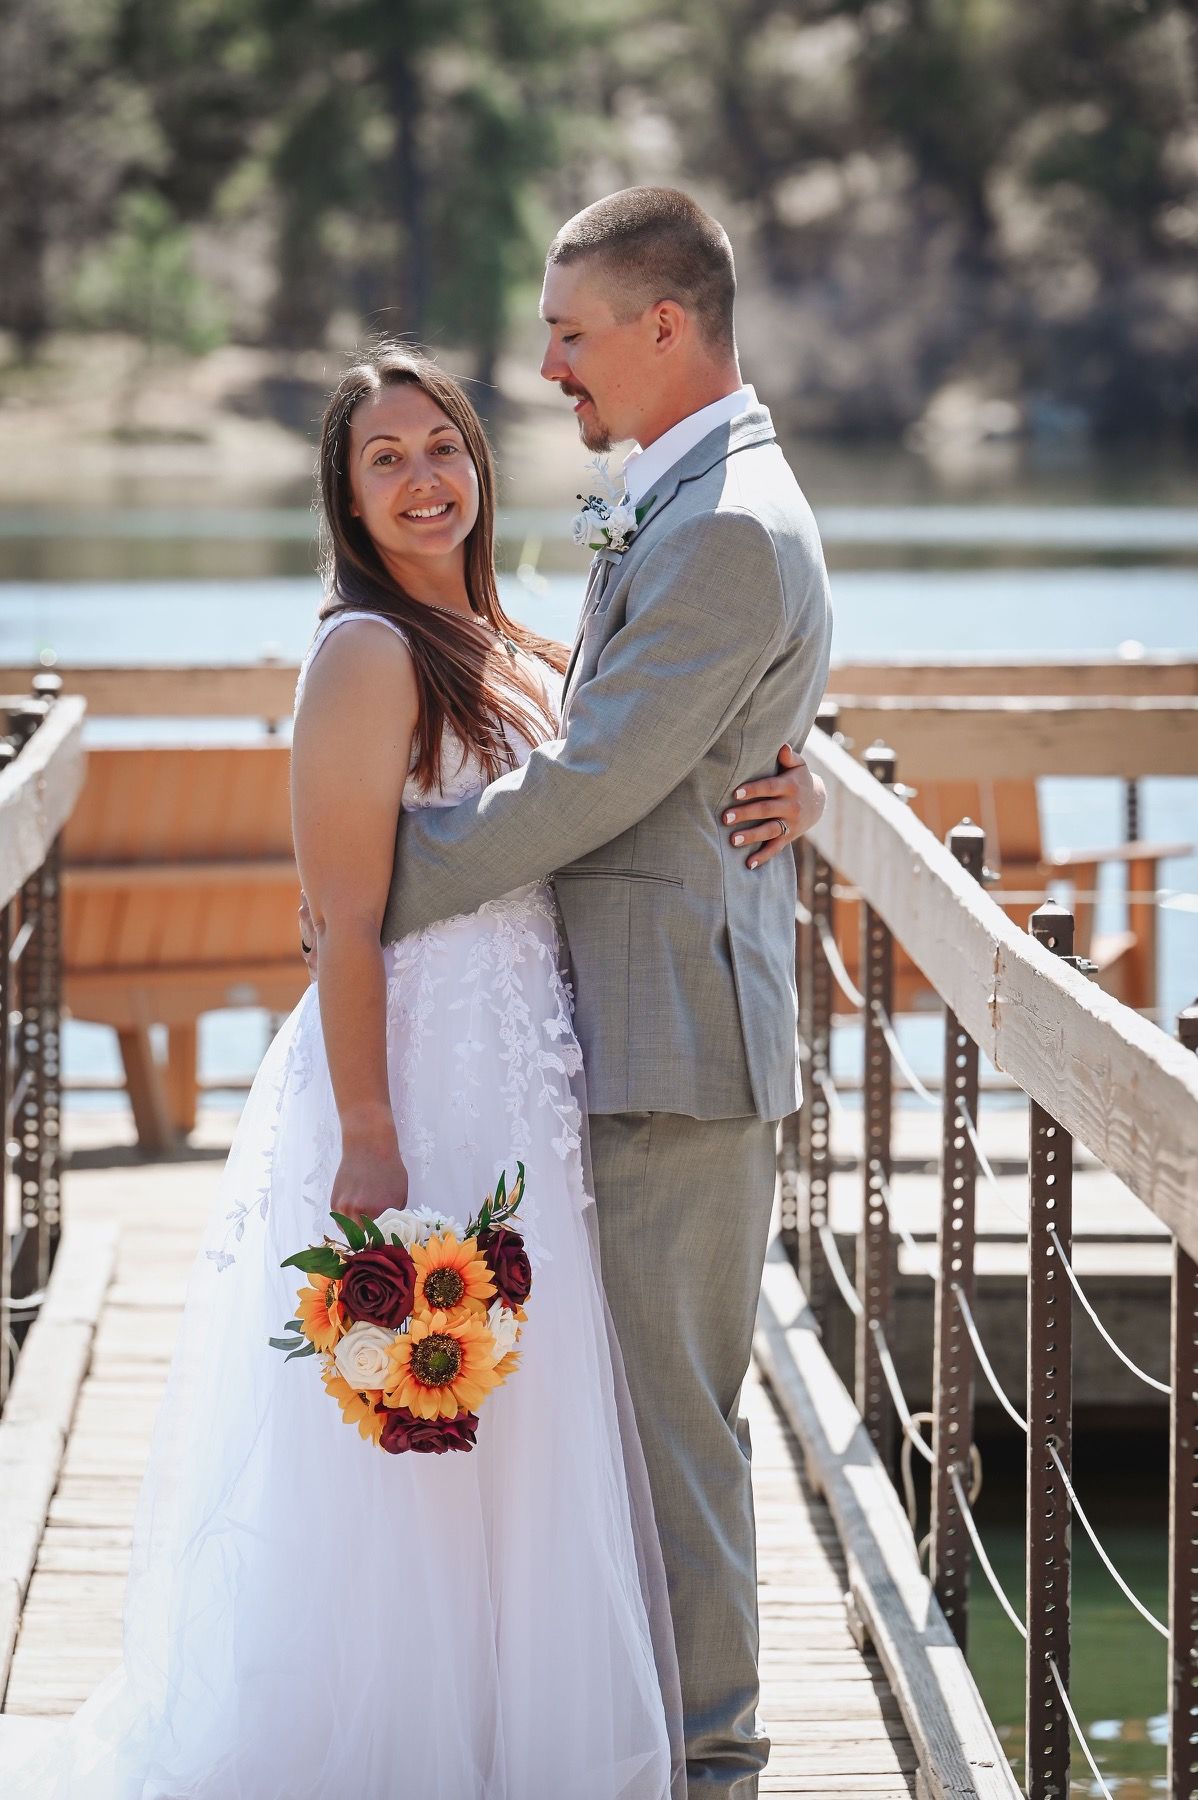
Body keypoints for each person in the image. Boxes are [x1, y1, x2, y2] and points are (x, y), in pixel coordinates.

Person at [0, 336, 817, 1800]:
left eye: (439, 446)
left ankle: (520, 1731)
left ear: (478, 463)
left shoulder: (514, 641)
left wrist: (786, 774)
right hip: (421, 1074)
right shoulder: (364, 652)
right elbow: (346, 921)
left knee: (531, 1418)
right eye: (385, 461)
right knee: (425, 1439)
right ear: (347, 500)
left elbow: (626, 773)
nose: (422, 478)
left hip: (538, 1073)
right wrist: (368, 1134)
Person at [353, 188, 835, 1798]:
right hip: (629, 1023)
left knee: (674, 1430)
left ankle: (711, 1760)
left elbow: (594, 780)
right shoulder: (691, 493)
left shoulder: (716, 524)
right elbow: (672, 730)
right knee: (627, 1421)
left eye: (569, 335)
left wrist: (370, 898)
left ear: (663, 329)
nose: (548, 366)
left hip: (671, 1042)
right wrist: (781, 763)